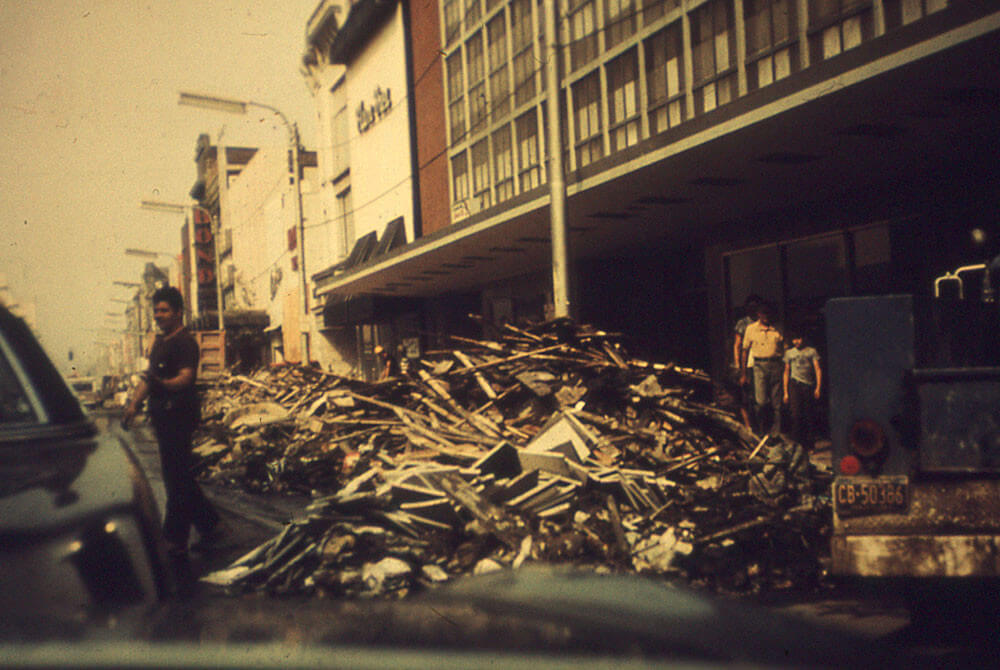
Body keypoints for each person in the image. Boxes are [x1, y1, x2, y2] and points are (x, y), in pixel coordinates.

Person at [122, 287, 220, 586]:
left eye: (164, 310)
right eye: (156, 311)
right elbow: (148, 380)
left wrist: (163, 385)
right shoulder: (159, 343)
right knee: (179, 475)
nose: (158, 316)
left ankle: (174, 539)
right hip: (163, 417)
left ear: (178, 312)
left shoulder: (185, 342)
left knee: (175, 478)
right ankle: (211, 525)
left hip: (180, 415)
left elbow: (186, 378)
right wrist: (134, 404)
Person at [740, 303, 784, 436]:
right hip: (759, 366)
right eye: (763, 313)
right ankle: (762, 430)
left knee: (777, 403)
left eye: (768, 313)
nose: (766, 316)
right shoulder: (751, 329)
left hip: (776, 364)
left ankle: (775, 434)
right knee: (760, 401)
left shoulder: (777, 328)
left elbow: (784, 349)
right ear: (758, 314)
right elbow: (744, 351)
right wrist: (743, 374)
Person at [782, 329, 822, 448]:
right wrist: (785, 392)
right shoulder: (789, 353)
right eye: (794, 340)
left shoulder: (811, 351)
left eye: (798, 339)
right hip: (795, 384)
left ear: (803, 339)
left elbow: (817, 369)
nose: (796, 342)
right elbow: (786, 372)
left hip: (808, 385)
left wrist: (818, 388)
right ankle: (796, 444)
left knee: (808, 414)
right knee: (795, 414)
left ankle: (809, 444)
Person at [732, 295, 763, 431]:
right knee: (746, 396)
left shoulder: (763, 321)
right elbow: (737, 345)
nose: (752, 309)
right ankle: (749, 426)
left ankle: (761, 426)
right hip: (746, 363)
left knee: (760, 397)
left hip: (760, 362)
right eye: (750, 307)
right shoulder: (743, 323)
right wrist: (738, 365)